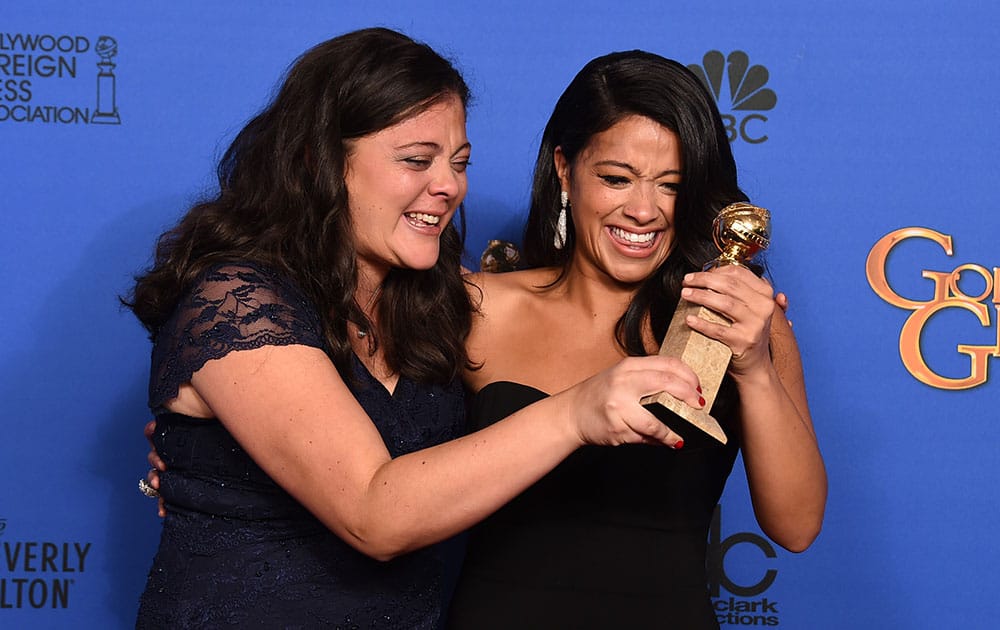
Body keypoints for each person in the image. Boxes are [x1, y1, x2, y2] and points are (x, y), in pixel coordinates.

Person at [126, 29, 698, 629]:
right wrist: (577, 411)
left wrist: (737, 329)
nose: (448, 185)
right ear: (318, 160)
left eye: (459, 162)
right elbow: (375, 513)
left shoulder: (435, 305)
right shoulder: (238, 299)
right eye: (416, 160)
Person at [444, 50, 827, 629]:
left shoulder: (734, 321)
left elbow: (796, 527)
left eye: (671, 185)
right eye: (616, 178)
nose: (643, 210)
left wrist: (754, 367)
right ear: (564, 169)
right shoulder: (476, 308)